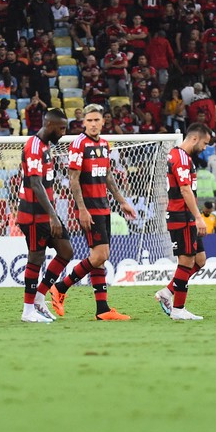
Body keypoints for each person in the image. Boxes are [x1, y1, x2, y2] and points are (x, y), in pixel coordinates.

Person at [48, 104, 137, 320]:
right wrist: (82, 209)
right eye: (89, 121)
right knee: (100, 255)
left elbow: (106, 176)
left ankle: (103, 310)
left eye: (97, 120)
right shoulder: (79, 144)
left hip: (103, 206)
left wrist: (122, 201)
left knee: (99, 259)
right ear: (83, 123)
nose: (93, 124)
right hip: (90, 209)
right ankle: (60, 287)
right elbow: (73, 179)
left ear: (103, 122)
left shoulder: (105, 145)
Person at [154, 123, 213, 320]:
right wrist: (198, 217)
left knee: (200, 260)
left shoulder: (184, 157)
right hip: (183, 215)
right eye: (205, 143)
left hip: (187, 215)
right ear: (195, 138)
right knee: (186, 261)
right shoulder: (179, 157)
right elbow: (185, 189)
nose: (205, 148)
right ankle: (178, 309)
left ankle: (168, 292)